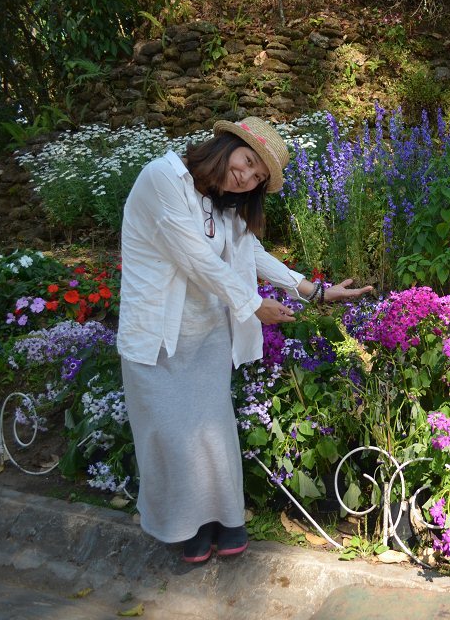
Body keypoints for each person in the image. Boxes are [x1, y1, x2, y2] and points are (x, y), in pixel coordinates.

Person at [118, 116, 373, 563]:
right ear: (226, 144)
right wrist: (253, 304)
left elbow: (249, 252)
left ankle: (226, 520)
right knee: (173, 437)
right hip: (157, 336)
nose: (247, 177)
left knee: (213, 435)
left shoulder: (220, 206)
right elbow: (195, 257)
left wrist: (313, 289)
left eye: (257, 177)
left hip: (207, 337)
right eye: (249, 161)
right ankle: (189, 526)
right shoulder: (162, 178)